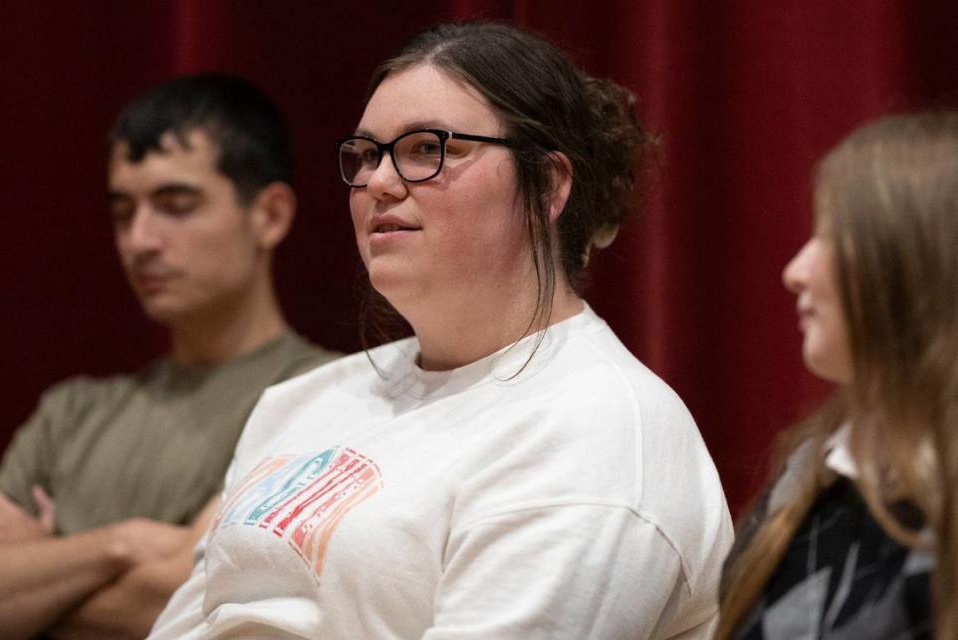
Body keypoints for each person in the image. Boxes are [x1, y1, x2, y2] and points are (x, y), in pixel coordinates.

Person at [149, 22, 732, 639]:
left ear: (549, 186)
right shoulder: (302, 401)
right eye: (367, 154)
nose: (378, 180)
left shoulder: (599, 424)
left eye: (429, 149)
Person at [0, 74, 339, 639]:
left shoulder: (322, 394)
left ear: (270, 216)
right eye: (123, 212)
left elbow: (210, 601)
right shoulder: (70, 413)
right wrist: (124, 543)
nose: (139, 240)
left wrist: (47, 565)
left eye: (175, 206)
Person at [716, 113, 958, 639]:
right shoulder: (811, 474)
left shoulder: (938, 523)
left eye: (831, 238)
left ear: (912, 272)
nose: (795, 271)